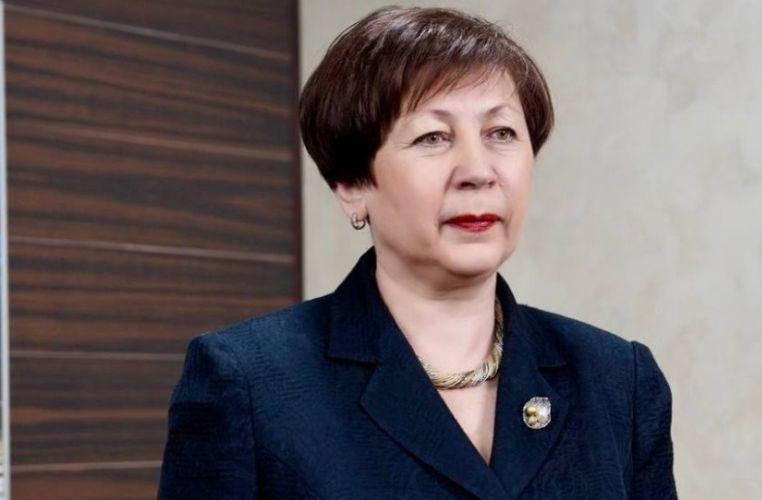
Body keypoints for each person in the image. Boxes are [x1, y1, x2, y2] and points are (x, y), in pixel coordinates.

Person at [158, 6, 676, 500]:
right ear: (352, 184)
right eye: (433, 137)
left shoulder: (617, 379)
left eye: (501, 133)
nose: (478, 171)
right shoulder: (249, 380)